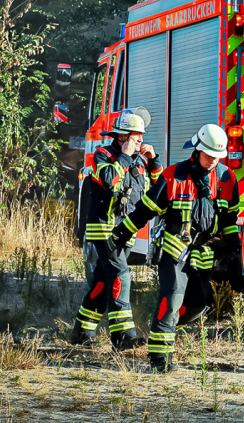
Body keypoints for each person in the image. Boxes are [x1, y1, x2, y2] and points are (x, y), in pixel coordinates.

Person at [111, 124, 239, 373]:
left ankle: (162, 325)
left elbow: (229, 220)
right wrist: (121, 233)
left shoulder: (226, 178)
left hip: (204, 253)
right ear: (198, 149)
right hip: (173, 249)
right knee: (172, 299)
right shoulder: (173, 175)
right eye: (209, 154)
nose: (213, 160)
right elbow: (144, 211)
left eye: (217, 156)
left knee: (197, 306)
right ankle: (160, 359)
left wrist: (234, 249)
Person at [71, 109, 162, 349]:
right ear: (123, 137)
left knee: (102, 283)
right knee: (121, 275)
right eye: (136, 136)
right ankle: (123, 337)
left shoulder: (139, 159)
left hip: (125, 230)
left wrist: (154, 161)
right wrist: (124, 156)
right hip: (103, 230)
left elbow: (155, 187)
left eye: (142, 136)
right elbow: (109, 179)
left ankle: (81, 332)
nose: (141, 140)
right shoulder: (103, 154)